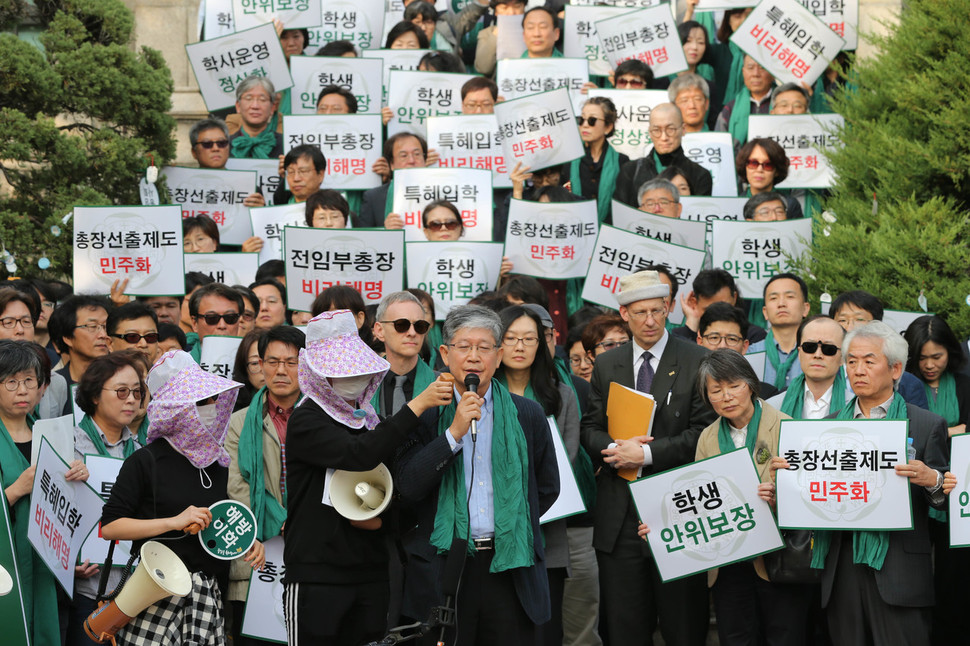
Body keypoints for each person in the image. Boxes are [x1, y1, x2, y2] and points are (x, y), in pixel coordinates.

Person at [766, 321, 948, 646]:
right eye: (851, 361)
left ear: (895, 369)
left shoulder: (925, 424)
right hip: (841, 569)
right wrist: (785, 483)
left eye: (868, 361)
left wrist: (931, 479)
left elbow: (946, 499)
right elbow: (811, 496)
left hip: (900, 570)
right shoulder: (824, 429)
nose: (858, 370)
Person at [282, 310, 451, 645]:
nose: (352, 378)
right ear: (316, 373)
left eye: (358, 370)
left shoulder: (368, 418)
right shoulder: (306, 420)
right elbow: (358, 454)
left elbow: (392, 482)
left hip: (371, 572)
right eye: (340, 372)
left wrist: (382, 520)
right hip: (318, 575)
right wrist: (417, 406)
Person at [393, 305, 559, 644]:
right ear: (445, 353)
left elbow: (547, 488)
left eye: (483, 347)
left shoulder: (527, 413)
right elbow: (406, 488)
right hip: (445, 565)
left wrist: (510, 523)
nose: (473, 357)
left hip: (509, 565)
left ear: (498, 356)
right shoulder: (424, 413)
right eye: (463, 346)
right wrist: (452, 434)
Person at [639, 349, 811, 646]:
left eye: (734, 386)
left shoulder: (786, 426)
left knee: (785, 635)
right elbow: (698, 500)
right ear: (707, 397)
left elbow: (808, 495)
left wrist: (777, 498)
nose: (727, 396)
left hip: (777, 558)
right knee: (735, 637)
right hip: (728, 561)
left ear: (751, 385)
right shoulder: (707, 436)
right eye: (716, 390)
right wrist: (659, 526)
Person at [580, 270, 716, 645]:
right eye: (639, 313)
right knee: (624, 628)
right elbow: (590, 427)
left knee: (683, 626)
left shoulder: (696, 359)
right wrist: (614, 449)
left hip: (678, 511)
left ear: (670, 308)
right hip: (619, 515)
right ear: (624, 314)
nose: (650, 320)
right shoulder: (608, 364)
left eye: (657, 310)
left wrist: (646, 453)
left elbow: (704, 434)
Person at [101, 350, 265, 645]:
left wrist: (243, 540)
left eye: (213, 399)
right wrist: (175, 521)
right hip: (155, 591)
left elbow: (213, 524)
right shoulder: (146, 461)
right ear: (177, 409)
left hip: (205, 596)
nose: (211, 407)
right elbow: (110, 527)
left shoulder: (217, 463)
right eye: (201, 401)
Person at [496, 305, 580, 646]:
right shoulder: (481, 393)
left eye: (529, 339)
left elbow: (568, 460)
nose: (519, 346)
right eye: (511, 338)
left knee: (544, 633)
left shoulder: (560, 395)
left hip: (548, 532)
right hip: (494, 534)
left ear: (542, 343)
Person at [1, 340, 88, 646]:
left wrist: (78, 479)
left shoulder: (52, 434)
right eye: (11, 381)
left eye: (29, 380)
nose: (22, 390)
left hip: (47, 569)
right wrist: (14, 491)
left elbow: (65, 506)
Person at [225, 326, 305, 646]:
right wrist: (279, 518)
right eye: (271, 361)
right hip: (256, 553)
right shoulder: (240, 422)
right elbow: (236, 486)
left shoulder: (323, 416)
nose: (280, 370)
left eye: (291, 361)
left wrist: (300, 519)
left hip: (311, 550)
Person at [69, 352, 147, 644]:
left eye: (137, 392)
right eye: (121, 391)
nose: (131, 400)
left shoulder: (143, 452)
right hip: (86, 591)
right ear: (94, 396)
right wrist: (66, 563)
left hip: (132, 595)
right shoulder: (68, 445)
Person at [903, 315, 970, 642]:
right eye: (922, 358)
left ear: (950, 352)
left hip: (957, 494)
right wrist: (952, 430)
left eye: (937, 356)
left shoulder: (964, 384)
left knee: (953, 576)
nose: (929, 365)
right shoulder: (902, 386)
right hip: (911, 495)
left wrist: (939, 432)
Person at [828, 290, 930, 409]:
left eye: (859, 320)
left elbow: (917, 424)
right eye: (842, 320)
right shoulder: (824, 376)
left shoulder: (908, 384)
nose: (850, 327)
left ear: (877, 324)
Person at [614, 103, 713, 207]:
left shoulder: (700, 175)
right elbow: (620, 215)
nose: (664, 137)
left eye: (670, 129)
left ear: (683, 129)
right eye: (656, 130)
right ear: (650, 133)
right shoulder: (630, 171)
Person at [767, 315, 848, 419]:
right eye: (809, 347)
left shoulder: (855, 408)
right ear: (799, 353)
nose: (818, 355)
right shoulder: (772, 408)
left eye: (828, 349)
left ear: (842, 358)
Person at [371, 292, 436, 419]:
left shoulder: (440, 385)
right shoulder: (361, 387)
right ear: (379, 330)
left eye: (420, 326)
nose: (412, 333)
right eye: (401, 325)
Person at [696, 302, 780, 399]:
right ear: (700, 342)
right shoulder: (684, 389)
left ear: (744, 346)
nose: (723, 346)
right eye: (714, 338)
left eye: (732, 339)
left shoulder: (765, 395)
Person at [747, 273, 811, 390]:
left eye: (790, 297)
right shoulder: (751, 353)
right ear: (765, 312)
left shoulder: (817, 351)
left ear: (805, 308)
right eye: (773, 298)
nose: (781, 304)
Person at [571, 97, 629, 224]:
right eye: (581, 120)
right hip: (574, 232)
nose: (585, 125)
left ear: (608, 127)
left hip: (609, 235)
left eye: (592, 120)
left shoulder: (622, 162)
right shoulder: (570, 160)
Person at [357, 133, 430, 229]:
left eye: (417, 154)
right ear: (391, 164)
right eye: (404, 156)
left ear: (425, 160)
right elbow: (365, 237)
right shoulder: (373, 197)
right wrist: (385, 230)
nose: (412, 160)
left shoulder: (444, 190)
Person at [676, 268, 767, 344]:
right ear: (694, 303)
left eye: (724, 306)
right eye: (709, 309)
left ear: (734, 298)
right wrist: (692, 323)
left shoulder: (754, 336)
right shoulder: (679, 336)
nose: (718, 315)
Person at [188, 117, 265, 207]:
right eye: (207, 144)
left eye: (222, 143)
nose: (216, 148)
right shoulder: (181, 187)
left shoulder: (250, 189)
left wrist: (260, 211)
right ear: (194, 152)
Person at [48, 294, 113, 394]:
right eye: (92, 326)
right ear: (68, 337)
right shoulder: (52, 386)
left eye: (106, 326)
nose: (103, 334)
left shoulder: (121, 382)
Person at [735, 138, 804, 219]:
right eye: (753, 163)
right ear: (745, 167)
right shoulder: (735, 205)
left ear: (777, 171)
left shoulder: (790, 205)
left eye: (768, 165)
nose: (759, 170)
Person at [715, 55, 775, 145]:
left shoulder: (784, 104)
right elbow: (719, 146)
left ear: (772, 74)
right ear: (743, 72)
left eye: (762, 68)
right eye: (750, 68)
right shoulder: (730, 109)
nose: (756, 74)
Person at [229, 76, 284, 159]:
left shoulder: (285, 145)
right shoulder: (224, 146)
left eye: (262, 99)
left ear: (272, 108)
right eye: (248, 99)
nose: (255, 106)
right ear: (238, 106)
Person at [474, 0, 527, 76]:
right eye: (504, 8)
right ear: (496, 12)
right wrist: (495, 34)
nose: (511, 12)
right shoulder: (487, 33)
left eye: (517, 7)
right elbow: (483, 68)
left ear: (524, 8)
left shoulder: (534, 32)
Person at [231, 329, 267, 413]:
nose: (263, 370)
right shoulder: (233, 410)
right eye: (255, 363)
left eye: (270, 361)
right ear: (244, 368)